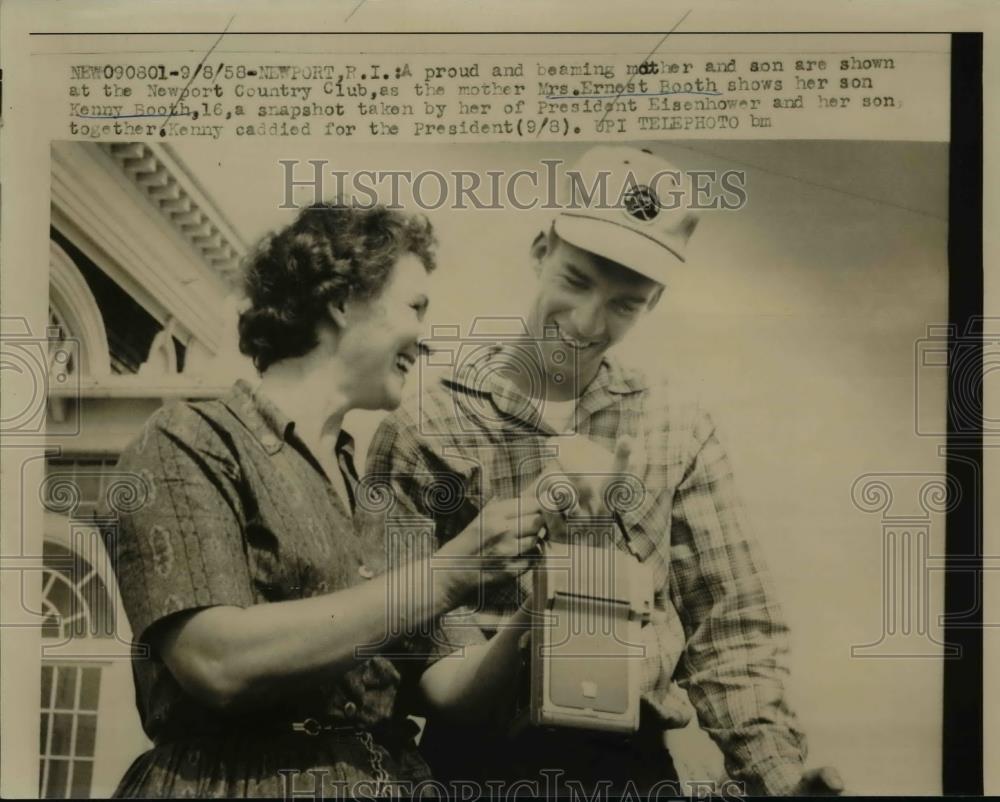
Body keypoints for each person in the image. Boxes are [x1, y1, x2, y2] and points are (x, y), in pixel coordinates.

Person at [365, 147, 845, 796]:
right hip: (474, 764)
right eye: (577, 281)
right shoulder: (426, 416)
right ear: (541, 250)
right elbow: (393, 637)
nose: (589, 322)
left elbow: (732, 629)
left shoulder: (678, 426)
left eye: (626, 303)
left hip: (634, 768)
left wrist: (781, 781)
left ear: (656, 299)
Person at [99, 202, 546, 798]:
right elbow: (216, 662)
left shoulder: (379, 498)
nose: (425, 335)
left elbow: (451, 692)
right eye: (415, 307)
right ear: (343, 300)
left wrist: (546, 604)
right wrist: (451, 572)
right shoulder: (191, 440)